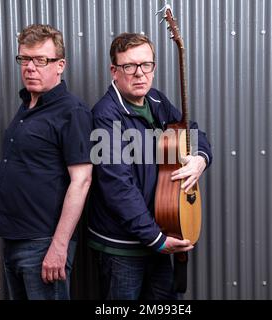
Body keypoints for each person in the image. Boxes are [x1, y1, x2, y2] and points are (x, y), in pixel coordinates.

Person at [88, 33, 212, 300]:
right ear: (114, 71)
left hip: (160, 235)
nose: (139, 74)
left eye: (147, 65)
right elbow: (118, 188)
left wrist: (201, 158)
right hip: (123, 247)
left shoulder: (156, 102)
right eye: (129, 66)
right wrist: (156, 239)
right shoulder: (106, 116)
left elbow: (189, 131)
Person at [0, 24, 93, 300]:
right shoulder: (28, 105)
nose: (30, 67)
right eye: (24, 59)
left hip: (43, 245)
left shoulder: (72, 111)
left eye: (41, 60)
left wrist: (59, 246)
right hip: (14, 239)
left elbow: (82, 181)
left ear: (60, 65)